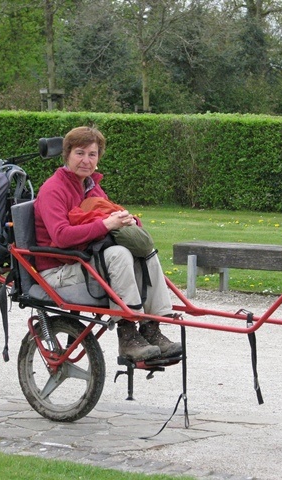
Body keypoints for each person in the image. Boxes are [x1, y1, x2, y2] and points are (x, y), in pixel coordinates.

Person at [34, 126, 182, 362]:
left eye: (92, 154)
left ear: (98, 158)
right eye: (80, 153)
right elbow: (61, 237)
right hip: (57, 270)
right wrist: (107, 225)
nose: (86, 160)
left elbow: (106, 215)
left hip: (83, 261)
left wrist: (129, 221)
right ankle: (128, 335)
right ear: (67, 155)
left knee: (145, 253)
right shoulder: (53, 189)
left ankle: (153, 327)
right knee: (118, 254)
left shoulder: (90, 185)